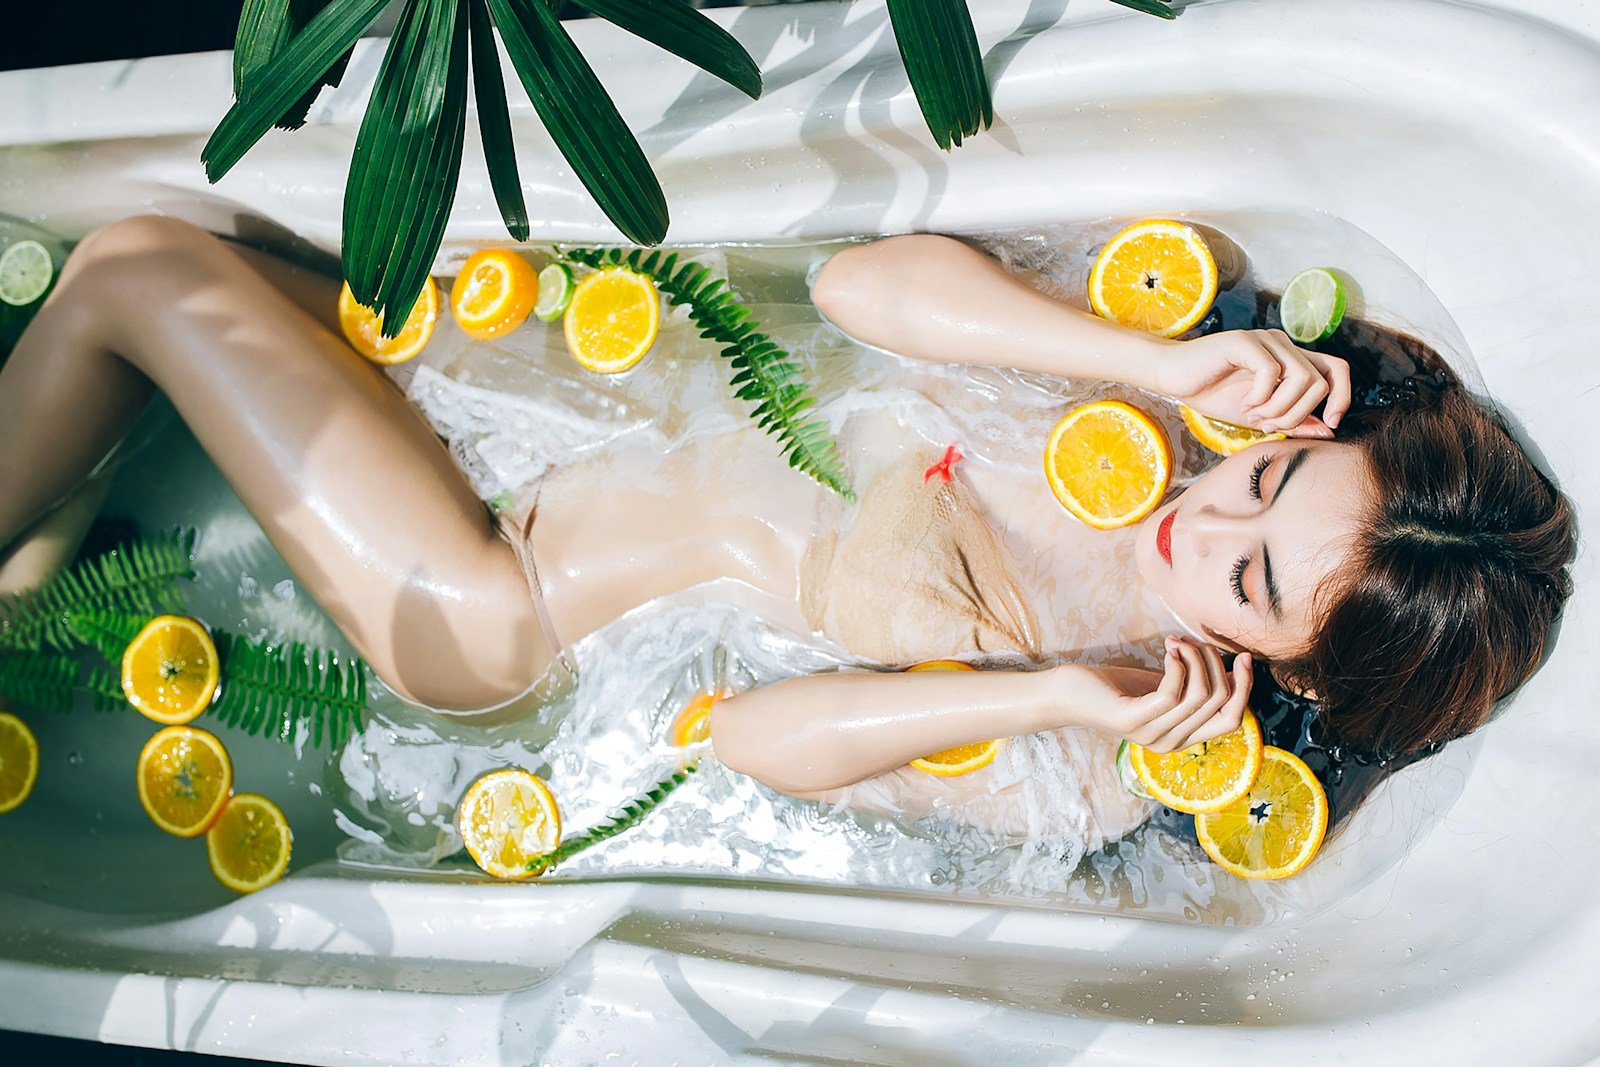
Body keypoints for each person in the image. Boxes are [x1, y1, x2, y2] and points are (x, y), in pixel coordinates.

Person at [0, 215, 1575, 854]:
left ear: (1289, 667)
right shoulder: (1153, 426)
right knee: (149, 276)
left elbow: (758, 736)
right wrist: (1154, 365)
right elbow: (850, 292)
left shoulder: (1096, 741)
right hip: (511, 392)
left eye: (1252, 577)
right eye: (1269, 477)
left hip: (493, 587)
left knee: (138, 271)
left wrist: (1038, 692)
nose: (1208, 517)